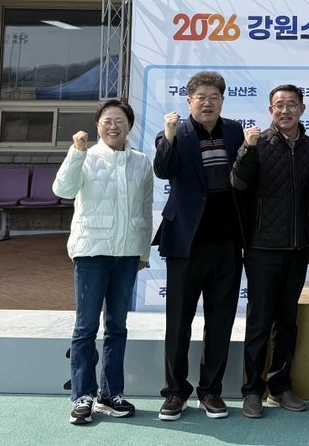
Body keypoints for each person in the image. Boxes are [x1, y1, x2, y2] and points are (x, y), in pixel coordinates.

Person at [52, 98, 153, 426]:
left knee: (117, 327)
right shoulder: (86, 156)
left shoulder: (142, 162)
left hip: (126, 255)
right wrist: (76, 152)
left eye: (119, 120)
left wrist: (143, 252)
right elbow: (63, 189)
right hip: (92, 252)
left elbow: (145, 209)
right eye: (107, 120)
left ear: (129, 125)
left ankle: (111, 394)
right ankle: (82, 395)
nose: (113, 126)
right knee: (85, 327)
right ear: (97, 126)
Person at [153, 71, 247, 421]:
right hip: (185, 242)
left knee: (220, 321)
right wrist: (168, 135)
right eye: (201, 98)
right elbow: (163, 170)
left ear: (222, 100)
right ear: (189, 100)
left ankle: (210, 391)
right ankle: (175, 392)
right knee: (178, 322)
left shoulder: (235, 131)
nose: (207, 103)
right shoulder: (175, 132)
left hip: (228, 241)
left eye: (214, 97)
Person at [230, 84, 309, 418]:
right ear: (270, 110)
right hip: (262, 248)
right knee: (259, 321)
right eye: (279, 105)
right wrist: (247, 149)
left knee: (287, 321)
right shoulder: (258, 143)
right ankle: (252, 390)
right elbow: (238, 183)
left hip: (297, 248)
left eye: (291, 104)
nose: (285, 110)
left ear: (302, 109)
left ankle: (280, 387)